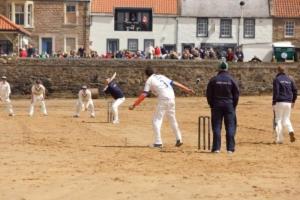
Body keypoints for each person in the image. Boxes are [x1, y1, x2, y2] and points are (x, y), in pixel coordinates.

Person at [129, 67, 195, 148]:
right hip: (172, 98)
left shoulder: (149, 80)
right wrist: (187, 89)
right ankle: (179, 139)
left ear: (146, 75)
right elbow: (174, 83)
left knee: (156, 120)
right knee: (172, 119)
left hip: (164, 99)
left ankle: (158, 142)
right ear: (154, 72)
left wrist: (134, 104)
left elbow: (144, 94)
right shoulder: (161, 76)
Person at [206, 60, 239, 153]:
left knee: (216, 126)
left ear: (218, 69)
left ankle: (216, 148)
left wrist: (211, 104)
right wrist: (233, 105)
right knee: (230, 126)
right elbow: (236, 94)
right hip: (229, 105)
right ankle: (230, 149)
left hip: (217, 104)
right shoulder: (232, 80)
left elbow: (208, 94)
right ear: (227, 69)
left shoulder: (214, 79)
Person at [272, 66, 297, 144]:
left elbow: (276, 91)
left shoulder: (277, 79)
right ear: (285, 70)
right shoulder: (290, 79)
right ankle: (291, 130)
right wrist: (293, 101)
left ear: (278, 71)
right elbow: (295, 90)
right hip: (288, 102)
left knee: (278, 119)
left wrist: (274, 101)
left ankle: (280, 139)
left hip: (280, 101)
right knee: (286, 119)